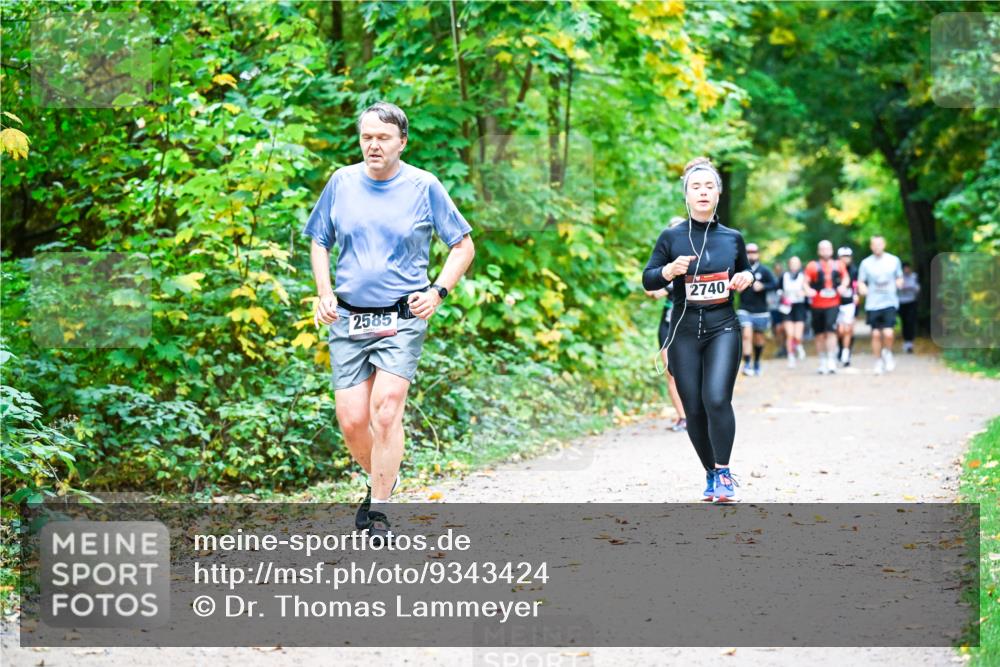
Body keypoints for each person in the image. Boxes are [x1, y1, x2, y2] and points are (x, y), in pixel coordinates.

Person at [304, 102, 475, 539]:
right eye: (366, 137)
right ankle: (385, 475)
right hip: (348, 318)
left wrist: (438, 291)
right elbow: (319, 241)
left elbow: (463, 246)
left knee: (385, 410)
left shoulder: (424, 186)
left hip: (402, 316)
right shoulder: (341, 183)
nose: (373, 145)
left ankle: (378, 509)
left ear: (402, 141)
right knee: (352, 420)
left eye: (382, 138)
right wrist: (324, 293)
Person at [642, 157, 754, 503]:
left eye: (709, 187)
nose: (703, 192)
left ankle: (724, 472)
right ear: (686, 196)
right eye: (696, 187)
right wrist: (668, 271)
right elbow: (648, 277)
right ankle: (709, 472)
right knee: (693, 409)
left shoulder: (733, 238)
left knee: (717, 398)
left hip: (724, 327)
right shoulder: (671, 237)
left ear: (718, 194)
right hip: (684, 332)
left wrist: (746, 277)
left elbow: (747, 272)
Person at [647, 217, 688, 432]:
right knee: (671, 371)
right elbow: (650, 288)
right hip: (668, 321)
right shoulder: (663, 260)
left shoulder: (697, 256)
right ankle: (683, 418)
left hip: (692, 321)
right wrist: (662, 286)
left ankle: (699, 413)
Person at [858, 235, 903, 375]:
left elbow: (899, 277)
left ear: (884, 244)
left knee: (888, 333)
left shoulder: (894, 260)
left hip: (889, 301)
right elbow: (860, 281)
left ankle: (887, 352)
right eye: (874, 245)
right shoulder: (865, 263)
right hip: (873, 304)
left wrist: (899, 283)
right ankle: (878, 361)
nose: (877, 247)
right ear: (871, 246)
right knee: (876, 334)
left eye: (879, 244)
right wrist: (862, 288)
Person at [805, 240, 850, 375]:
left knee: (830, 331)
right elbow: (805, 282)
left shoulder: (839, 265)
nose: (825, 251)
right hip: (817, 304)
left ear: (832, 250)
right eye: (822, 249)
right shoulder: (812, 266)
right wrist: (808, 290)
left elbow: (846, 278)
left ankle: (831, 359)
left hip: (833, 303)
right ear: (819, 251)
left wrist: (843, 286)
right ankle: (822, 360)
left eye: (828, 248)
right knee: (819, 334)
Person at [736, 243, 777, 376]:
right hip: (744, 309)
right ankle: (747, 363)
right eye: (748, 252)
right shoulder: (740, 270)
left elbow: (775, 284)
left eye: (753, 252)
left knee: (759, 338)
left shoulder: (764, 270)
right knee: (746, 335)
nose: (751, 254)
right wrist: (737, 287)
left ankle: (757, 361)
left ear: (758, 254)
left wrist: (763, 286)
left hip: (761, 310)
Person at [779, 256, 808, 368]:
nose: (794, 265)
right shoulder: (784, 276)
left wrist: (804, 293)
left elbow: (808, 290)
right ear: (789, 264)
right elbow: (778, 289)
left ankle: (799, 345)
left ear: (799, 265)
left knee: (797, 335)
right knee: (790, 334)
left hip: (799, 307)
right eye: (792, 263)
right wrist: (782, 296)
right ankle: (791, 357)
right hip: (787, 308)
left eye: (796, 263)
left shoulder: (803, 277)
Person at [835, 246, 859, 367]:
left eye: (847, 256)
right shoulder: (834, 270)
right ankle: (840, 348)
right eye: (843, 256)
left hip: (850, 303)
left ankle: (846, 352)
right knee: (840, 330)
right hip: (836, 303)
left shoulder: (854, 271)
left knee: (849, 329)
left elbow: (857, 286)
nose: (845, 259)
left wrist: (857, 297)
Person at [898, 261, 920, 353]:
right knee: (904, 322)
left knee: (910, 322)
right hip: (902, 302)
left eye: (908, 267)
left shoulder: (914, 276)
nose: (907, 269)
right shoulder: (899, 278)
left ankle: (910, 342)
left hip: (912, 302)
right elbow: (897, 288)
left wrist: (910, 287)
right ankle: (906, 341)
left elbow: (917, 288)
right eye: (905, 268)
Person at [769, 261, 787, 358]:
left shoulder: (786, 279)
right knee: (777, 329)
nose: (778, 270)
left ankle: (786, 347)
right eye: (776, 268)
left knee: (784, 328)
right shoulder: (772, 279)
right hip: (774, 307)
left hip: (785, 307)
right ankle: (781, 348)